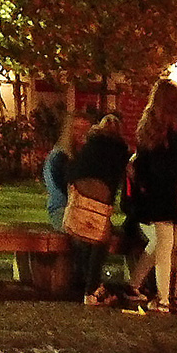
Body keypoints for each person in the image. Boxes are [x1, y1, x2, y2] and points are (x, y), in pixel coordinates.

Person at [130, 78, 177, 314]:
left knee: (163, 248)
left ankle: (162, 299)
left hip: (159, 192)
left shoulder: (149, 125)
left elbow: (141, 163)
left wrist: (144, 185)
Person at [66, 113, 130, 305]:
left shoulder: (90, 144)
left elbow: (73, 170)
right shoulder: (120, 149)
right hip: (99, 195)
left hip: (79, 193)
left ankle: (91, 284)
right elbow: (116, 180)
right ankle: (91, 291)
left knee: (82, 237)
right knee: (101, 240)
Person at [41, 112, 76, 233]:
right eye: (76, 129)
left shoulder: (76, 155)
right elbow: (64, 188)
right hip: (62, 209)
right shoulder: (59, 157)